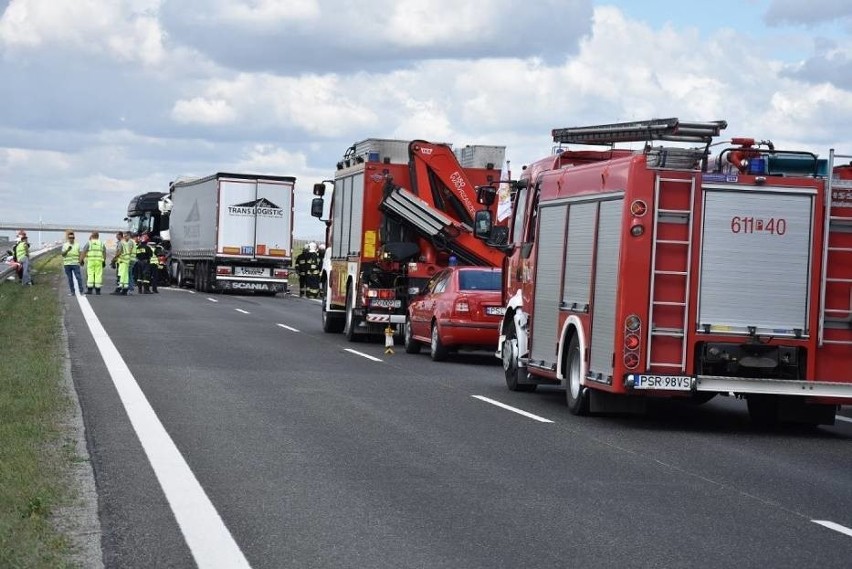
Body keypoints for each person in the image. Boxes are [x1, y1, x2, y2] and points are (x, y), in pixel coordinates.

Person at [60, 231, 85, 296]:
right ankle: (72, 292)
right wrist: (67, 250)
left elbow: (80, 253)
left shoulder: (77, 245)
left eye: (72, 238)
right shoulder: (65, 245)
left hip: (75, 263)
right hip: (67, 264)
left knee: (78, 277)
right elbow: (63, 254)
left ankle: (81, 291)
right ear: (68, 238)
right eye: (70, 238)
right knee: (70, 279)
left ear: (74, 238)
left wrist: (81, 260)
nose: (71, 239)